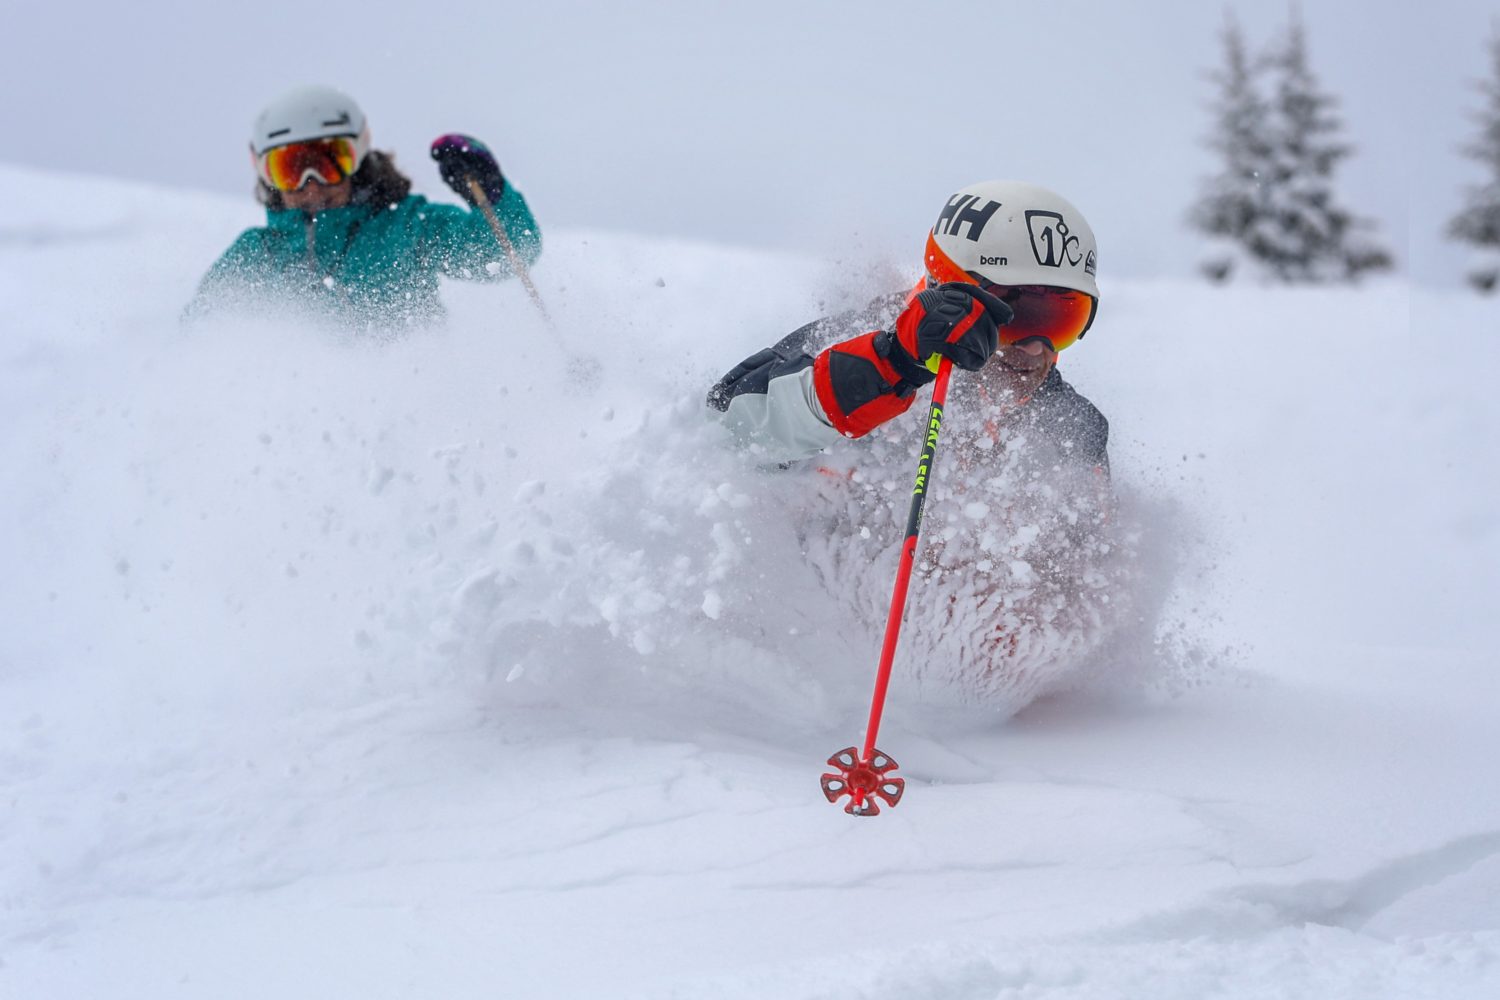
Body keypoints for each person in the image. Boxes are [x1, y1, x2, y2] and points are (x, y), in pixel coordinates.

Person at [707, 180, 1109, 484]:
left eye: (1061, 322)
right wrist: (894, 361)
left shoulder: (1073, 431)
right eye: (1018, 316)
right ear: (952, 287)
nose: (1038, 348)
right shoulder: (844, 344)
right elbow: (719, 440)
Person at [185, 84, 542, 331]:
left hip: (414, 414)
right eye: (290, 168)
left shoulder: (408, 228)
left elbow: (508, 253)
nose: (312, 184)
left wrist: (491, 192)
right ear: (265, 174)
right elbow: (199, 338)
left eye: (328, 163)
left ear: (358, 156)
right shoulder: (257, 256)